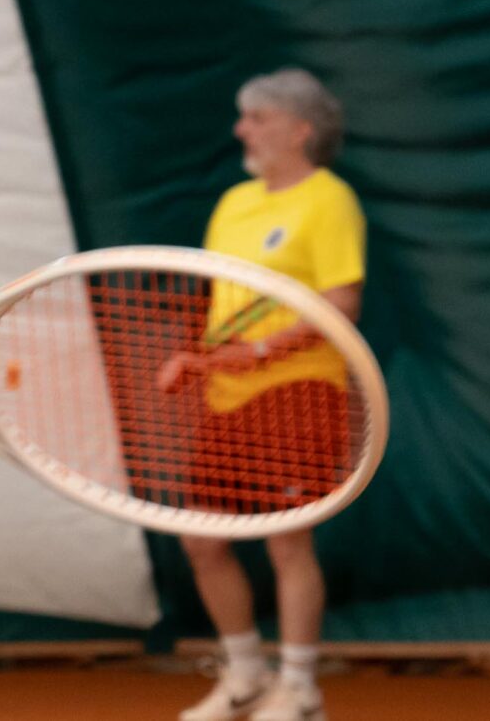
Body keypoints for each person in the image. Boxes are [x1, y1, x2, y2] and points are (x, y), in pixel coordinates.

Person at [165, 70, 365, 721]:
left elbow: (340, 304)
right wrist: (195, 357)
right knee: (202, 540)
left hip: (298, 391)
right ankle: (246, 677)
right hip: (227, 396)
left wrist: (258, 352)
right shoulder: (234, 202)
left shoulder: (329, 199)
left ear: (301, 130)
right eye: (243, 116)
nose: (241, 129)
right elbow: (221, 300)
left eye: (257, 118)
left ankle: (300, 688)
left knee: (287, 542)